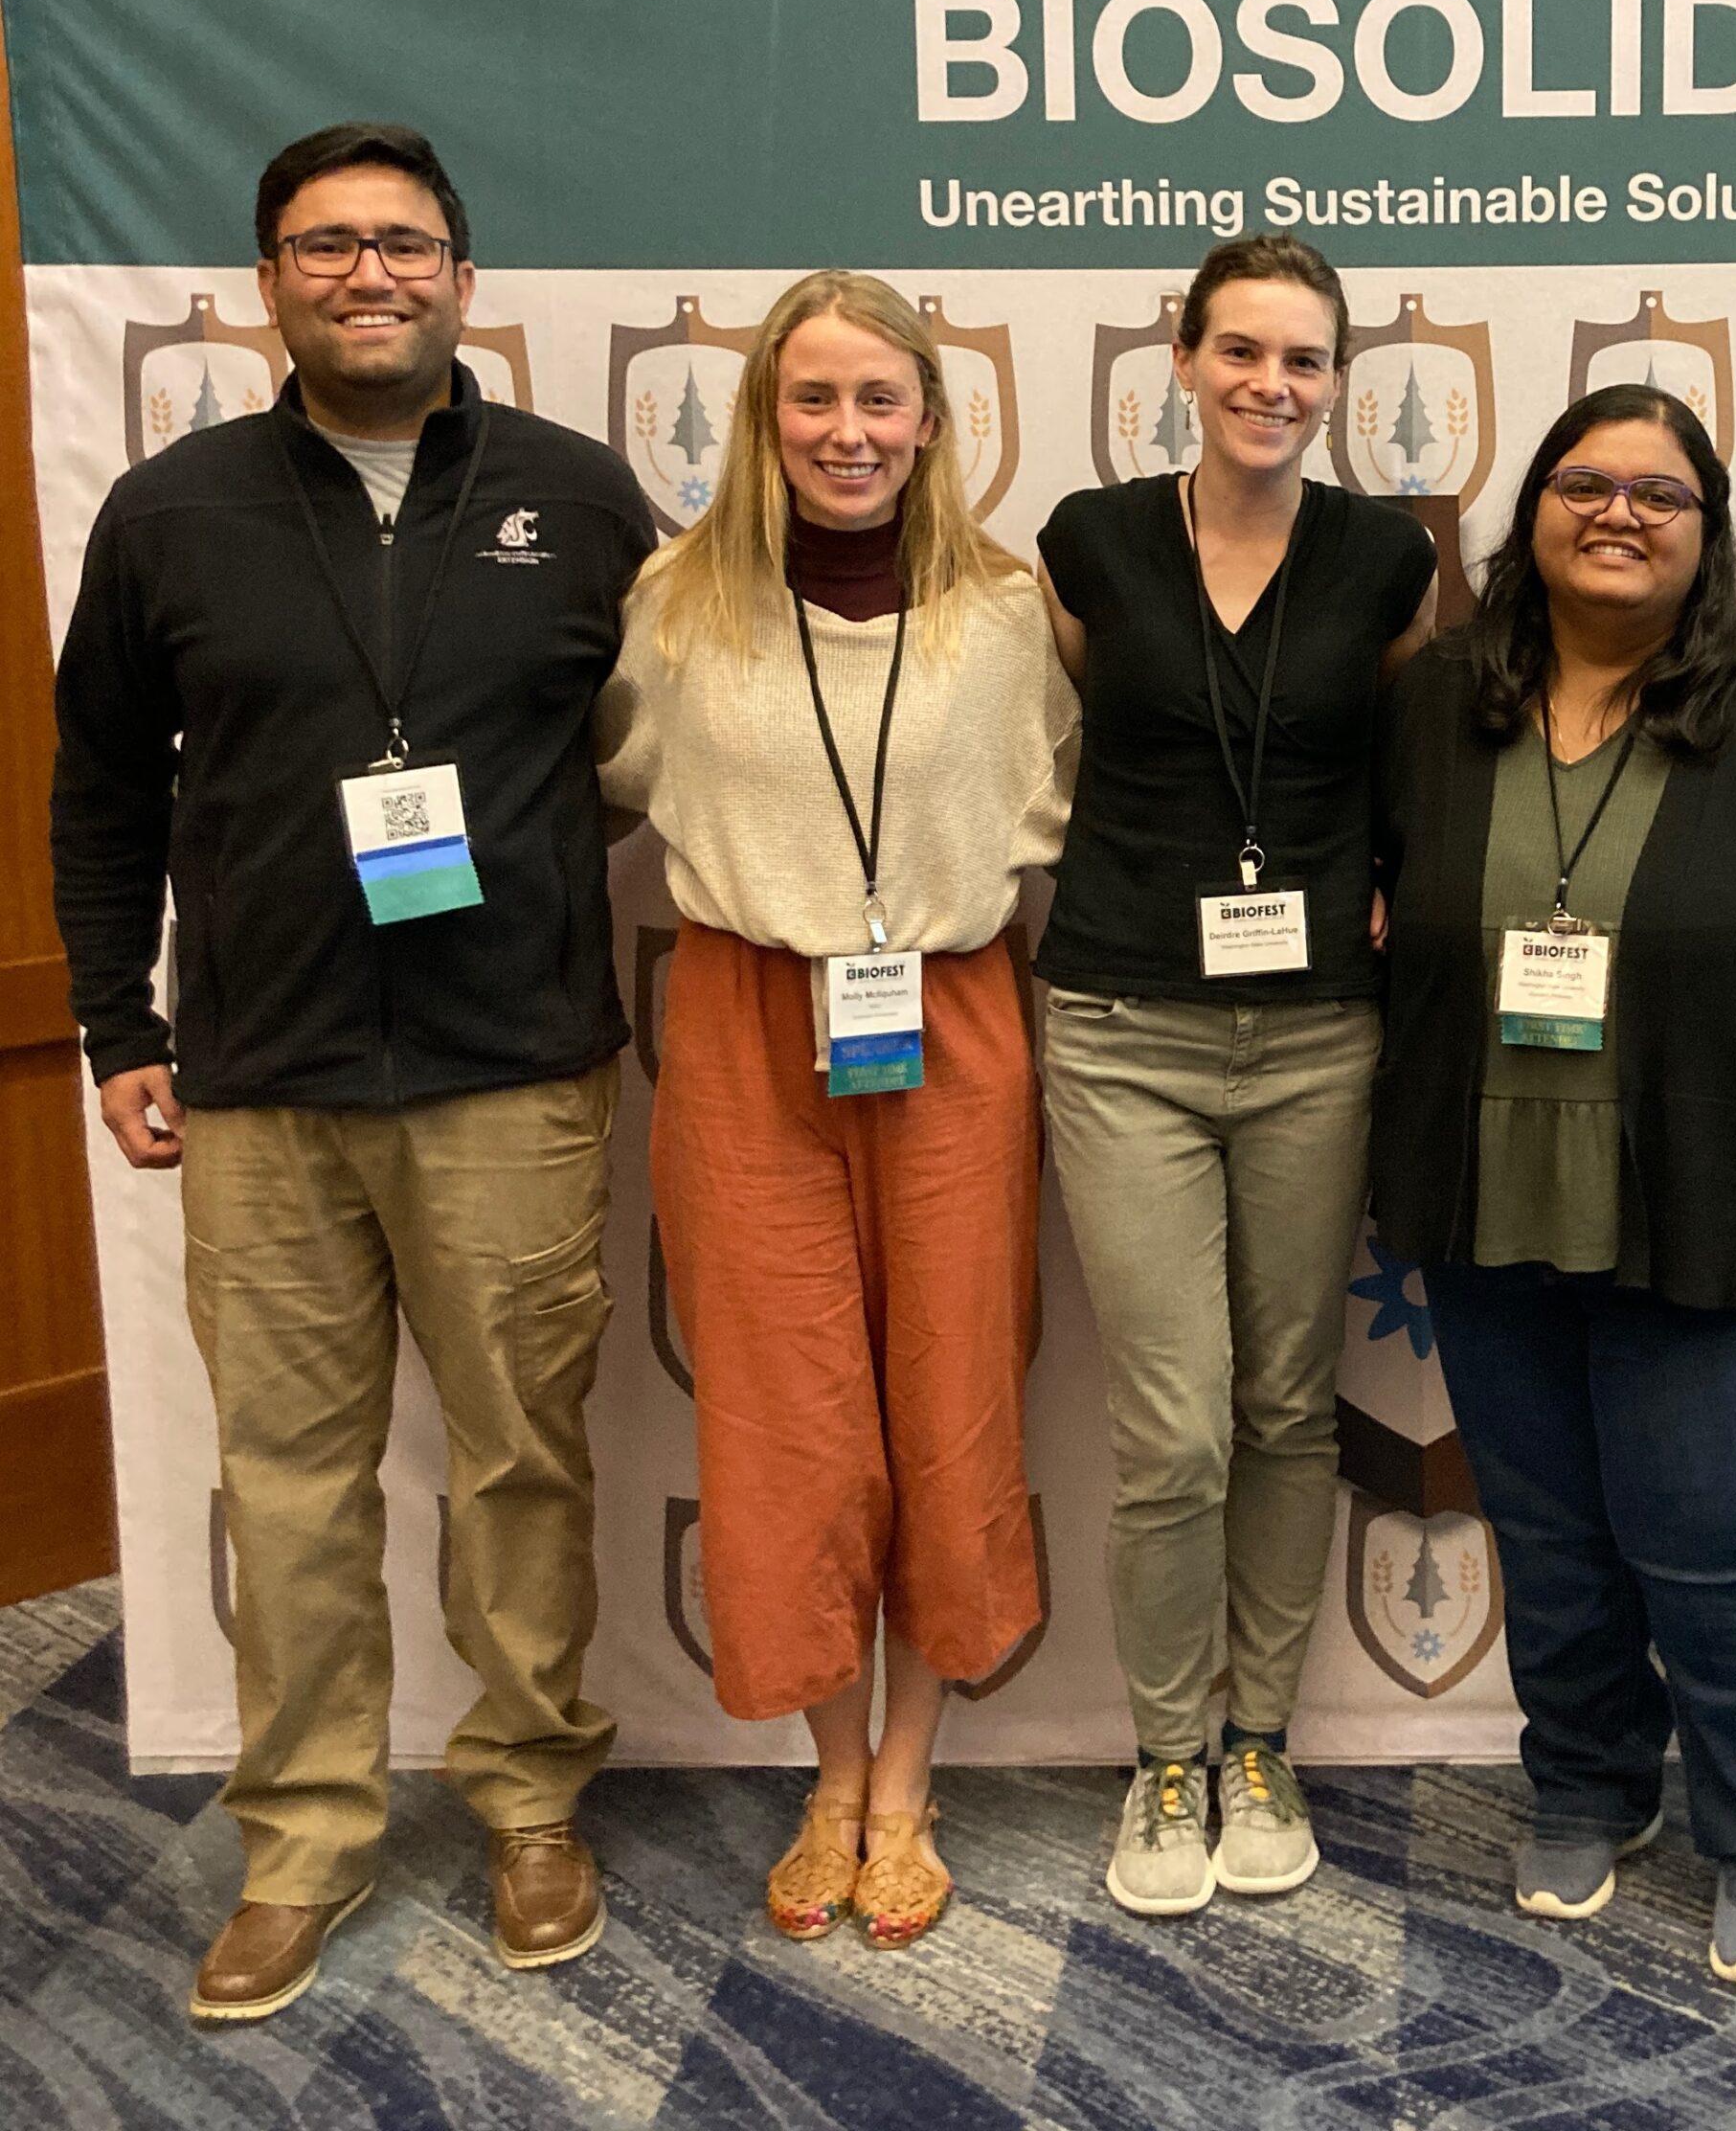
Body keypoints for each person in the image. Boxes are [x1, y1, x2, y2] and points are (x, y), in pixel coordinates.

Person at [50, 124, 654, 2025]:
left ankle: (531, 1794)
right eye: (326, 246)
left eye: (403, 242)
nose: (367, 272)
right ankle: (302, 1839)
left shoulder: (579, 494)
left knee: (520, 1467)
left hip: (513, 1074)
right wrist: (115, 1023)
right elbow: (96, 789)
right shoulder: (169, 509)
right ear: (266, 282)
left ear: (463, 276)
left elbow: (676, 745)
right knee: (290, 1486)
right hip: (261, 1081)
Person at [1372, 383, 1736, 1987]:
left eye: (1661, 491)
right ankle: (1584, 1782)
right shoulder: (1442, 700)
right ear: (1534, 515)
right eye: (1584, 483)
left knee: (1720, 1543)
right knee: (1555, 1536)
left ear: (1708, 531)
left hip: (1709, 1189)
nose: (1618, 512)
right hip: (1484, 1187)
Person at [597, 271, 1074, 1950]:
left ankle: (910, 1782)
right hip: (743, 1018)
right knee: (784, 1411)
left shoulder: (1010, 614)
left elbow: (1076, 811)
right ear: (762, 419)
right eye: (814, 400)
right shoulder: (674, 604)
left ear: (934, 420)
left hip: (946, 1019)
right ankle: (829, 1767)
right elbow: (593, 777)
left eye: (881, 400)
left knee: (952, 1392)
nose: (848, 433)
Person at [1035, 233, 1437, 1916]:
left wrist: (1397, 880)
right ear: (1183, 364)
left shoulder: (1390, 560)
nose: (1275, 384)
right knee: (1171, 1426)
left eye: (1307, 360)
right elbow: (1061, 724)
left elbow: (1423, 760)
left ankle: (1260, 1737)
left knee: (1286, 1404)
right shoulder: (1088, 540)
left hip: (1320, 1034)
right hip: (1122, 1024)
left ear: (1336, 384)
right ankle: (1166, 1758)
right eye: (1244, 352)